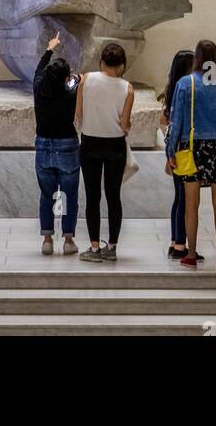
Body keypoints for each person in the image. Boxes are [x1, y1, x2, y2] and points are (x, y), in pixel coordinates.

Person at [167, 39, 216, 269]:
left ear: (197, 58)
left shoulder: (185, 83)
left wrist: (171, 149)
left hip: (192, 147)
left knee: (191, 203)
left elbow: (176, 120)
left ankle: (191, 252)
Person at [75, 42, 134, 262]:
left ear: (102, 61)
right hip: (115, 145)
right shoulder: (127, 88)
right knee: (113, 196)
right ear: (121, 65)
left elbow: (79, 114)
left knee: (92, 196)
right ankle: (112, 246)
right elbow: (125, 124)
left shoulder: (86, 79)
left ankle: (93, 248)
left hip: (90, 142)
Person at [33, 31, 80, 255]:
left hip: (43, 145)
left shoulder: (38, 87)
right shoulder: (70, 90)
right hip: (67, 145)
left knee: (47, 194)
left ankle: (47, 239)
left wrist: (50, 48)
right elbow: (78, 78)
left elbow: (40, 70)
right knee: (69, 195)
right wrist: (72, 74)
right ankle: (69, 240)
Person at [159, 49, 194, 259]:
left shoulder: (172, 89)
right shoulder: (187, 90)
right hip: (183, 148)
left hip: (174, 147)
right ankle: (180, 244)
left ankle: (175, 242)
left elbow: (165, 122)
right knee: (185, 199)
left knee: (179, 197)